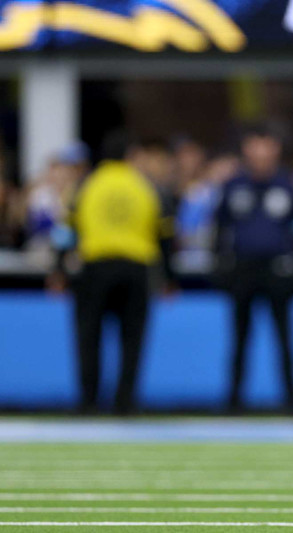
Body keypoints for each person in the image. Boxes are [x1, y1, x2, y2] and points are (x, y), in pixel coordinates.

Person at [48, 131, 176, 415]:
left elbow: (66, 232)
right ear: (131, 155)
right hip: (136, 268)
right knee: (132, 340)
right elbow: (165, 235)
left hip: (95, 267)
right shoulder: (146, 186)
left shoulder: (87, 185)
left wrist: (58, 269)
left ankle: (88, 402)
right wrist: (167, 276)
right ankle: (125, 402)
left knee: (88, 337)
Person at [214, 123, 293, 413]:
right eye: (256, 145)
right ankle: (234, 401)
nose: (262, 152)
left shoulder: (287, 183)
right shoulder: (233, 184)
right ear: (246, 149)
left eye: (267, 145)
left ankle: (292, 402)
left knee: (284, 338)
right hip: (242, 269)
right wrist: (222, 264)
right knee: (240, 338)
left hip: (277, 270)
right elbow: (220, 227)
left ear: (275, 150)